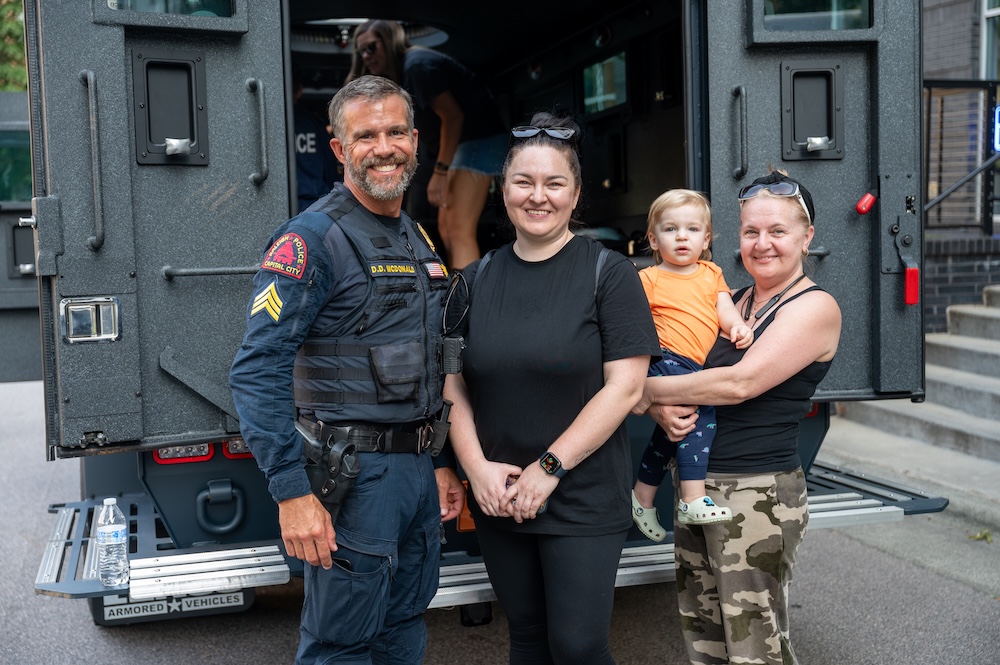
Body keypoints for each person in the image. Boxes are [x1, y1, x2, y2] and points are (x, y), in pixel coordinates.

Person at [228, 75, 465, 665]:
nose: (382, 147)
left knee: (404, 626)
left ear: (415, 140)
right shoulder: (313, 240)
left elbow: (426, 363)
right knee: (341, 644)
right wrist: (291, 495)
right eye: (365, 136)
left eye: (394, 132)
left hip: (412, 474)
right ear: (339, 150)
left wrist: (435, 463)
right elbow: (257, 371)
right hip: (353, 478)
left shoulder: (415, 237)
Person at [443, 112, 661, 664]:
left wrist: (549, 468)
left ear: (576, 193)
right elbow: (452, 386)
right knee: (528, 640)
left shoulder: (609, 275)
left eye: (554, 183)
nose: (538, 196)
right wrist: (475, 469)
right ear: (503, 190)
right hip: (499, 494)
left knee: (578, 646)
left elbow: (625, 386)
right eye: (524, 182)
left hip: (580, 494)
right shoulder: (472, 281)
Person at [632, 171, 842, 665]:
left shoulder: (814, 307)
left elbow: (737, 384)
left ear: (806, 237)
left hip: (757, 496)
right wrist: (655, 406)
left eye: (777, 232)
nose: (762, 244)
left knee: (754, 650)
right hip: (700, 487)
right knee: (706, 640)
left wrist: (637, 391)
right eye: (751, 232)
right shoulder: (737, 300)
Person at [630, 189, 753, 542]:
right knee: (703, 416)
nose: (682, 236)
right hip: (666, 359)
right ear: (653, 239)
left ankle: (642, 496)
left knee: (672, 431)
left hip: (692, 367)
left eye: (692, 229)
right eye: (670, 229)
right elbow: (633, 327)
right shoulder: (648, 279)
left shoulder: (711, 273)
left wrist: (736, 327)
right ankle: (693, 498)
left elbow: (723, 308)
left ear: (707, 238)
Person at [346, 19, 507, 270]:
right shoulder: (407, 70)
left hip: (478, 141)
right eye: (361, 51)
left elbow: (453, 117)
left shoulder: (418, 65)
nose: (366, 56)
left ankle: (471, 303)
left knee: (457, 229)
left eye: (371, 47)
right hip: (467, 146)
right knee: (447, 227)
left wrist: (440, 172)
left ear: (389, 43)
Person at [292, 77, 339, 212]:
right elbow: (330, 166)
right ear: (300, 90)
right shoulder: (313, 123)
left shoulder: (270, 126)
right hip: (316, 202)